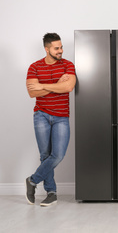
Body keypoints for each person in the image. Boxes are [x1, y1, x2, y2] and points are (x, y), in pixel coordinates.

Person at [25, 33, 76, 206]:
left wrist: (43, 85)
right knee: (45, 155)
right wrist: (56, 86)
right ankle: (51, 192)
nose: (60, 50)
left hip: (61, 117)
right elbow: (32, 92)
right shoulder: (34, 67)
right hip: (41, 115)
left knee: (58, 155)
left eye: (61, 47)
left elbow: (68, 86)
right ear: (47, 49)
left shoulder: (68, 65)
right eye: (56, 48)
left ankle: (32, 180)